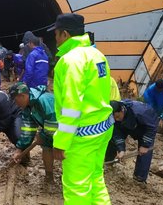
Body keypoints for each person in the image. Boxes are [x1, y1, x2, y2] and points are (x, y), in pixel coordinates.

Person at [47, 13, 114, 204]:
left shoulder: (70, 61)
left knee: (76, 188)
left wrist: (61, 141)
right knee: (95, 178)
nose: (56, 39)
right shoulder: (97, 54)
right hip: (102, 127)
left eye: (57, 34)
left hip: (82, 134)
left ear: (65, 34)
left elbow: (71, 105)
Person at [9, 82, 57, 182]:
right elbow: (28, 130)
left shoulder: (44, 100)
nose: (15, 103)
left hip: (67, 127)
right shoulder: (27, 108)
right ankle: (49, 177)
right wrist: (19, 149)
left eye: (15, 100)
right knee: (46, 146)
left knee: (66, 151)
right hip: (49, 129)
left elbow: (53, 120)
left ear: (22, 96)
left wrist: (43, 135)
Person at [105, 100, 158, 183]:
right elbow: (117, 133)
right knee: (111, 140)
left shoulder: (141, 112)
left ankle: (139, 178)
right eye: (114, 118)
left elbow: (151, 127)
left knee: (144, 153)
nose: (116, 119)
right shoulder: (115, 118)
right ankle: (108, 165)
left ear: (122, 110)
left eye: (118, 117)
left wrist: (145, 145)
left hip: (145, 128)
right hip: (126, 125)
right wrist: (121, 149)